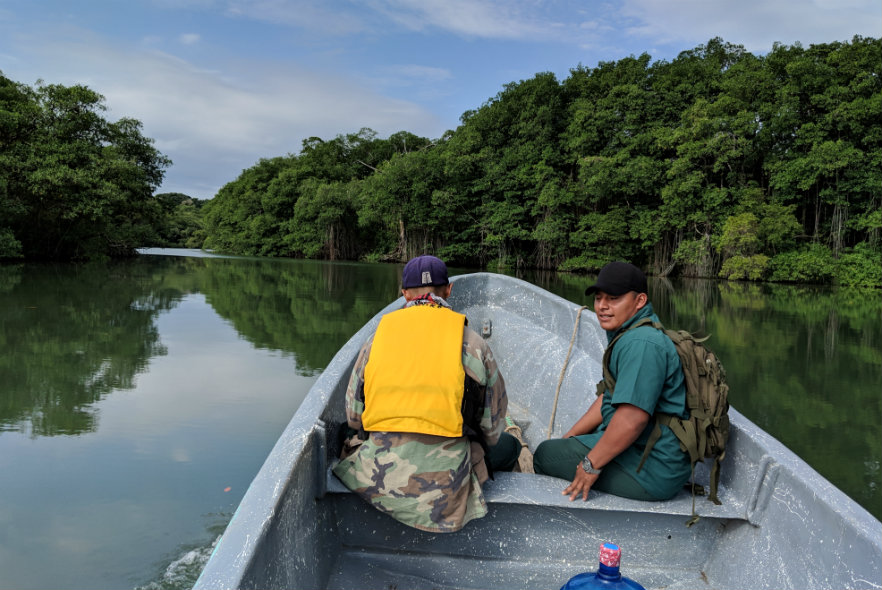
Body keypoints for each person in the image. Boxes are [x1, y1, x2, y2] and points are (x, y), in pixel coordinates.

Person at [332, 255, 520, 532]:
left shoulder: (376, 340)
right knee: (510, 445)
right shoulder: (474, 344)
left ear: (404, 294)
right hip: (446, 493)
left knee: (342, 432)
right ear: (448, 290)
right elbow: (491, 431)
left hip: (377, 481)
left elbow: (354, 418)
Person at [533, 261, 691, 502]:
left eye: (613, 299)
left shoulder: (641, 344)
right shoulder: (629, 333)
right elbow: (609, 396)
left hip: (653, 470)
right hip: (642, 451)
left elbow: (632, 420)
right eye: (599, 298)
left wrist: (590, 465)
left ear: (639, 301)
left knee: (545, 456)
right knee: (559, 448)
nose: (602, 307)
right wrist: (568, 439)